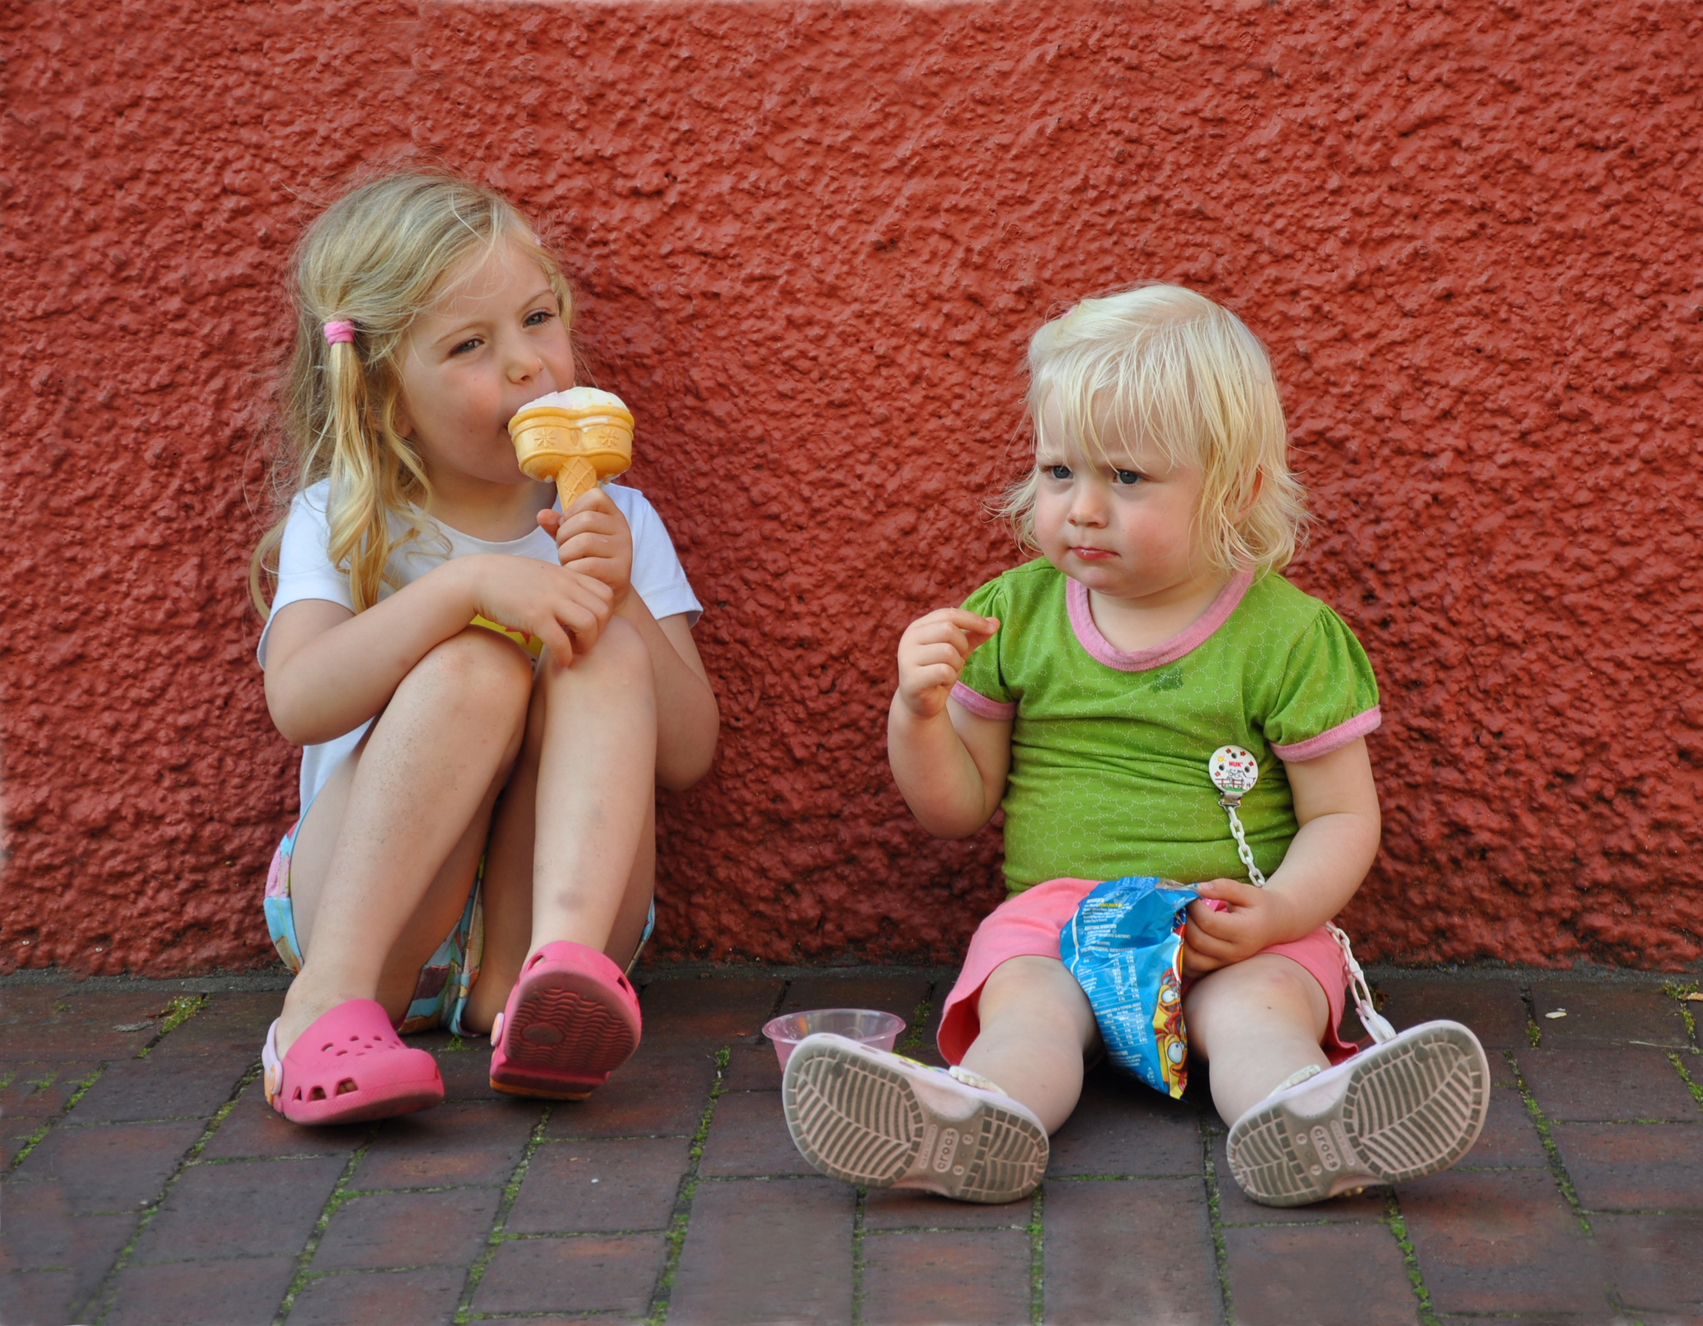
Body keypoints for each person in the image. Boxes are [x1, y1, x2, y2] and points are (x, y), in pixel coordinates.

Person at [782, 284, 1488, 1206]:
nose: (1080, 508)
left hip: (1225, 931)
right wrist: (915, 714)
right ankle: (972, 1120)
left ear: (1233, 490)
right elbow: (955, 810)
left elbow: (1344, 815)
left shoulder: (1287, 637)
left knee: (1256, 1015)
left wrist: (1277, 915)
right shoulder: (1012, 618)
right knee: (1025, 1007)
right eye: (1058, 471)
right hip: (1059, 924)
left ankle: (1310, 1119)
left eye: (1126, 478)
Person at [248, 173, 716, 1125]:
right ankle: (321, 1009)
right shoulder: (345, 517)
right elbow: (299, 701)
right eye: (470, 345)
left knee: (607, 650)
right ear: (384, 399)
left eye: (539, 318)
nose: (528, 367)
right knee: (476, 663)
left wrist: (617, 595)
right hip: (369, 917)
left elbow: (688, 752)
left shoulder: (613, 518)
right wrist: (462, 590)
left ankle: (546, 987)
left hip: (555, 912)